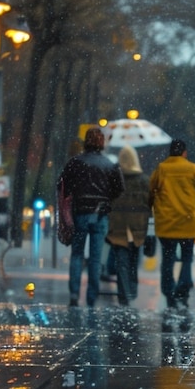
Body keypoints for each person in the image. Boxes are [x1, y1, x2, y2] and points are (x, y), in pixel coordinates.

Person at [58, 127, 124, 307]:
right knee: (96, 258)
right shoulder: (109, 165)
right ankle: (91, 297)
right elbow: (119, 189)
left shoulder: (75, 163)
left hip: (80, 213)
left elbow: (63, 185)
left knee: (77, 254)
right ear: (102, 142)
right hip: (101, 214)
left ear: (85, 141)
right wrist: (106, 198)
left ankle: (74, 293)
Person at [149, 138, 195, 309]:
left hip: (166, 223)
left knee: (168, 259)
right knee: (187, 258)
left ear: (170, 152)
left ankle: (169, 293)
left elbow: (151, 191)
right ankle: (183, 291)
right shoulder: (194, 170)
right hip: (188, 222)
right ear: (184, 153)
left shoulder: (161, 169)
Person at [106, 145, 151, 306]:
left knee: (122, 264)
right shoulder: (144, 181)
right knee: (133, 263)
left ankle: (124, 295)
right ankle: (131, 291)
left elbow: (108, 203)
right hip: (137, 229)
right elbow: (150, 205)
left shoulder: (113, 180)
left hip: (118, 228)